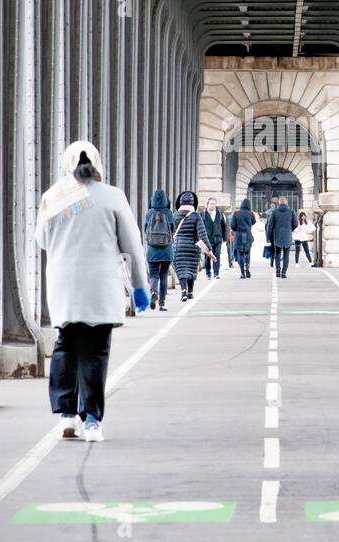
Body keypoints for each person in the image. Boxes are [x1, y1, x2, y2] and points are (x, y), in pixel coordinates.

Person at [36, 139, 148, 443]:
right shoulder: (113, 197)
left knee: (66, 345)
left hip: (64, 287)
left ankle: (66, 414)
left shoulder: (53, 196)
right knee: (96, 352)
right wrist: (140, 285)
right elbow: (132, 245)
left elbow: (42, 240)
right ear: (98, 163)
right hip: (100, 286)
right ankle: (92, 419)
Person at [173, 190, 213, 301]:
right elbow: (202, 234)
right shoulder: (196, 216)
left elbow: (170, 232)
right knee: (190, 270)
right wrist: (209, 248)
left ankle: (183, 291)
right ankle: (190, 292)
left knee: (181, 270)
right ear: (193, 203)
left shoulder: (174, 215)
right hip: (192, 248)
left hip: (178, 247)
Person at [143, 187, 174, 310]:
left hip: (152, 250)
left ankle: (153, 292)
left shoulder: (149, 213)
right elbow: (172, 229)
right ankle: (162, 303)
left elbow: (145, 230)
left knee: (154, 274)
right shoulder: (169, 213)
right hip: (166, 249)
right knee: (164, 275)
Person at [267, 195, 299, 278]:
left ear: (279, 203)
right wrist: (289, 229)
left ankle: (278, 270)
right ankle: (284, 272)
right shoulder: (291, 212)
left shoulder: (274, 212)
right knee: (286, 254)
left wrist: (268, 237)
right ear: (286, 203)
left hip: (277, 235)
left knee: (277, 253)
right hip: (287, 235)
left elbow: (270, 225)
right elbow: (296, 224)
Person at [201, 197, 228, 278]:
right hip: (207, 239)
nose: (213, 206)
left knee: (217, 255)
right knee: (208, 256)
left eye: (214, 204)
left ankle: (216, 273)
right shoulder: (202, 214)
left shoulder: (220, 214)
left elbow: (224, 227)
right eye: (211, 204)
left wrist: (225, 238)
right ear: (207, 204)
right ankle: (208, 272)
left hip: (218, 238)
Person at [230, 198, 256, 278]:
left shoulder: (236, 213)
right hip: (248, 235)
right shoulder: (250, 213)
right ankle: (247, 268)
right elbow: (254, 222)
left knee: (240, 254)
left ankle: (242, 272)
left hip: (239, 235)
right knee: (247, 253)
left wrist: (236, 230)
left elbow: (232, 226)